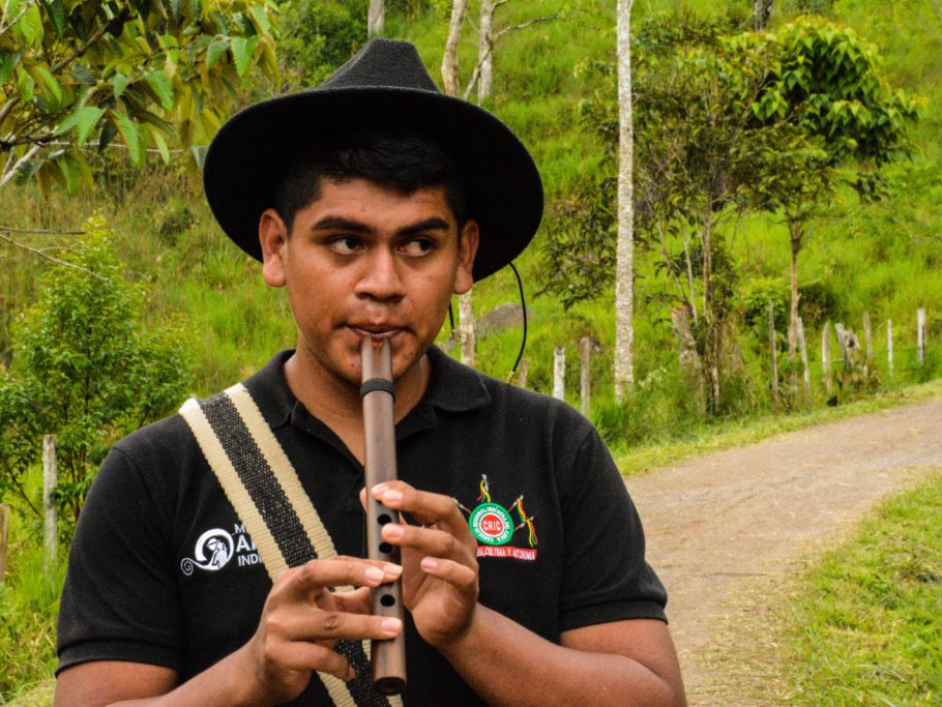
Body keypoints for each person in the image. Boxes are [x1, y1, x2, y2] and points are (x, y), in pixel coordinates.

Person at [54, 39, 686, 707]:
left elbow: (655, 697)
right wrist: (249, 675)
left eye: (420, 244)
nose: (383, 283)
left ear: (464, 257)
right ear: (276, 247)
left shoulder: (552, 447)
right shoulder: (159, 473)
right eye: (346, 242)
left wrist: (470, 631)